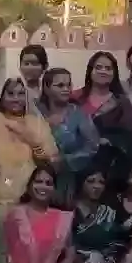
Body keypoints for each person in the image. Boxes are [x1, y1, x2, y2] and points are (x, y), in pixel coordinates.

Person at [0, 77, 59, 208]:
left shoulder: (37, 124)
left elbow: (49, 163)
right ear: (1, 97)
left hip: (30, 196)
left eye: (20, 94)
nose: (16, 99)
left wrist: (30, 139)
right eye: (10, 94)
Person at [39, 67, 99, 200]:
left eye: (68, 85)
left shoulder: (79, 114)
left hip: (68, 180)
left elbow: (92, 146)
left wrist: (65, 160)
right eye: (60, 85)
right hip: (36, 178)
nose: (66, 89)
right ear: (47, 88)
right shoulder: (37, 112)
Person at [18, 44, 49, 111]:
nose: (29, 68)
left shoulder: (49, 90)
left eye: (35, 64)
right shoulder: (12, 89)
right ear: (20, 67)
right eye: (26, 64)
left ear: (45, 67)